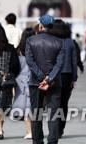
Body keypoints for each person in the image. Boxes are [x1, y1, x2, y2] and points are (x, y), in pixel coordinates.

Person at [25, 15, 65, 144]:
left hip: (35, 82)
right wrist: (49, 78)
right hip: (54, 83)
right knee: (54, 113)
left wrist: (42, 77)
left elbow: (30, 61)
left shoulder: (31, 40)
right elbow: (59, 64)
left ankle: (37, 140)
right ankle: (52, 140)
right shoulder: (60, 42)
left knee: (36, 113)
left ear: (41, 25)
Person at [49, 20, 78, 139]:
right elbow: (74, 61)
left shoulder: (51, 41)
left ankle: (54, 129)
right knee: (64, 103)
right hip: (67, 74)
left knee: (54, 103)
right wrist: (74, 78)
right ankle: (60, 129)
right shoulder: (70, 42)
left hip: (54, 74)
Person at [12, 28, 36, 140]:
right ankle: (32, 131)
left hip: (20, 82)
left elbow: (14, 68)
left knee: (25, 108)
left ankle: (29, 131)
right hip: (33, 80)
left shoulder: (17, 51)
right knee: (31, 107)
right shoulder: (36, 49)